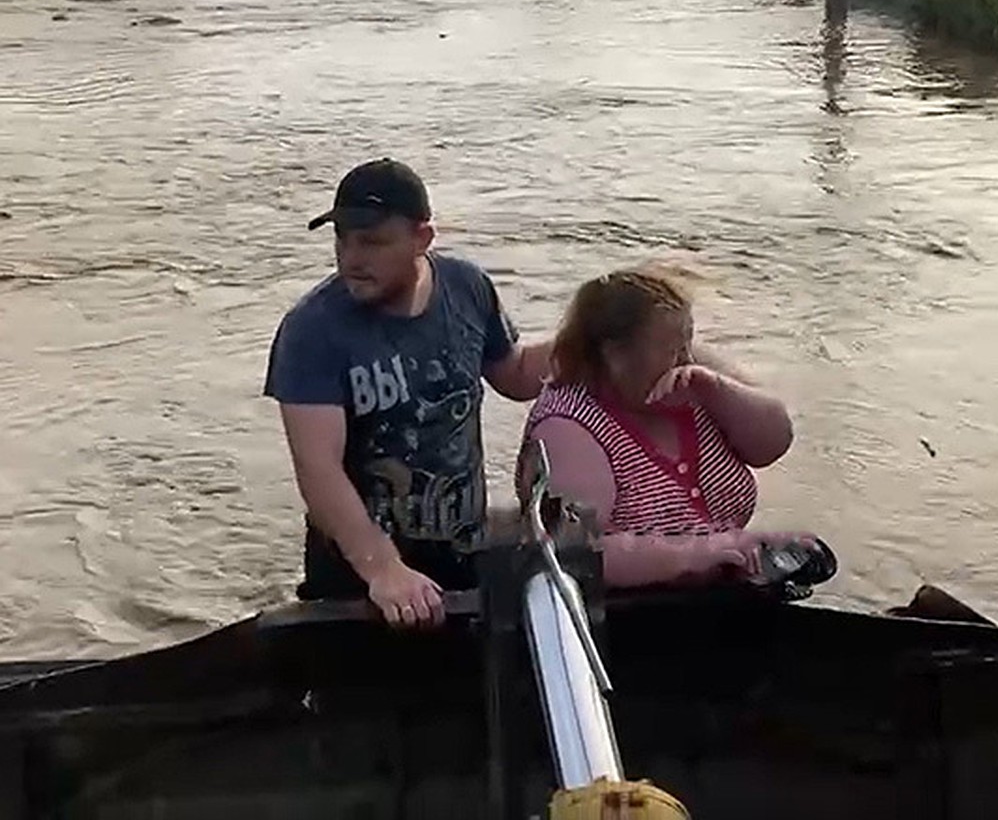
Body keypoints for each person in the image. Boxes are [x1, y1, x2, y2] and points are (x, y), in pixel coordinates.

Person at [264, 158, 551, 629]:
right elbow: (319, 471)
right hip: (360, 579)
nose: (352, 259)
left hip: (463, 557)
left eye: (373, 242)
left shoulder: (467, 287)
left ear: (423, 238)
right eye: (343, 240)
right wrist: (383, 569)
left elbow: (515, 374)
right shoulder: (311, 331)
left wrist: (594, 339)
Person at [517, 267, 814, 589]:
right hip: (628, 613)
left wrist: (715, 388)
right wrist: (707, 551)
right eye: (673, 351)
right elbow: (571, 552)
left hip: (717, 597)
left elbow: (773, 442)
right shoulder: (568, 426)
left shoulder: (692, 378)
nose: (686, 360)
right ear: (614, 354)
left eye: (687, 345)